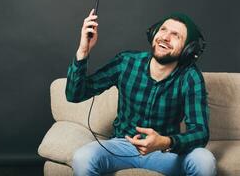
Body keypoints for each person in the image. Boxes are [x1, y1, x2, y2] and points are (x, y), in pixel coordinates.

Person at [65, 9, 217, 176]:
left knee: (204, 160)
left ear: (188, 49)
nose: (165, 37)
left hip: (165, 151)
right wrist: (83, 51)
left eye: (176, 35)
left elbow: (200, 132)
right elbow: (74, 94)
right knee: (82, 157)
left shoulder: (190, 76)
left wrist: (165, 142)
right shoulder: (126, 62)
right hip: (122, 145)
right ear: (153, 33)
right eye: (163, 30)